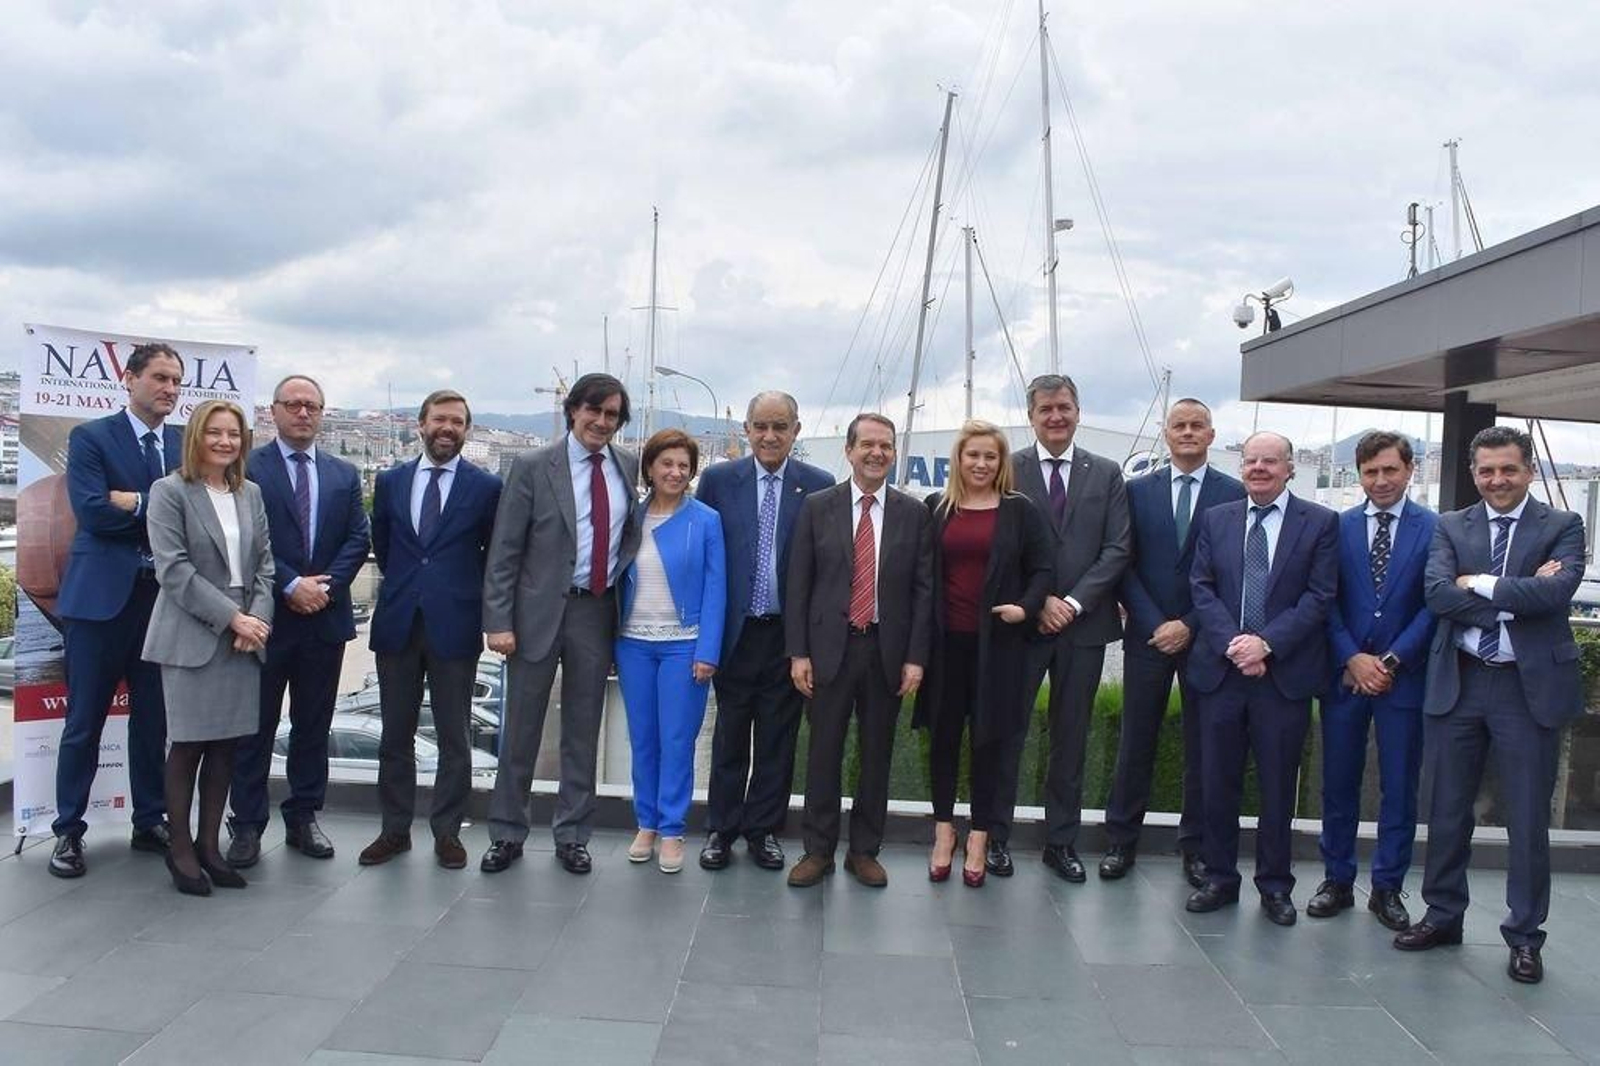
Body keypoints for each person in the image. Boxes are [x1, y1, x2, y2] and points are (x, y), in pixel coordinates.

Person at [1395, 426, 1585, 986]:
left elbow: (1556, 594)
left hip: (1527, 693)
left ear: (1527, 470)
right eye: (1485, 471)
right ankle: (1443, 915)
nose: (1496, 480)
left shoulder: (1562, 526)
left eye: (1507, 469)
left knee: (1528, 819)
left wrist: (1477, 583)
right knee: (1447, 810)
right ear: (1474, 473)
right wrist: (1511, 598)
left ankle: (1525, 937)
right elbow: (1436, 595)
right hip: (1461, 682)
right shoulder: (1452, 525)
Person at [481, 373, 640, 876]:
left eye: (612, 414)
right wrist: (498, 621)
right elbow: (505, 550)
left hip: (596, 612)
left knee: (582, 731)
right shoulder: (533, 466)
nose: (601, 421)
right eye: (593, 410)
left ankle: (573, 835)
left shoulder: (627, 466)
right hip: (534, 615)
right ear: (573, 411)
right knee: (521, 731)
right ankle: (507, 833)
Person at [1185, 431, 1338, 926]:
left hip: (1282, 677)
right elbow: (1202, 587)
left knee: (1277, 788)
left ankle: (1275, 886)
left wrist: (1266, 643)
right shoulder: (1217, 519)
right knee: (1216, 783)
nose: (1258, 469)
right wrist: (1237, 643)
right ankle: (1219, 878)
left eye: (1269, 462)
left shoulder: (1319, 523)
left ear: (1290, 467)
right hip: (1222, 673)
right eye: (1251, 461)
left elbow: (1318, 597)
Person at [49, 342, 185, 878]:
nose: (170, 389)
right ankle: (67, 832)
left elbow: (193, 518)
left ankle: (149, 820)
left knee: (153, 721)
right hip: (99, 604)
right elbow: (92, 513)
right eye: (159, 378)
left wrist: (134, 500)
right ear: (128, 379)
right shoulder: (91, 437)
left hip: (161, 603)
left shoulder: (181, 444)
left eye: (176, 381)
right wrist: (158, 507)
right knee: (84, 722)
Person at [227, 375, 370, 867]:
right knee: (255, 727)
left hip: (323, 620)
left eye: (312, 405)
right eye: (294, 404)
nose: (303, 413)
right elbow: (246, 538)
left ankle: (304, 816)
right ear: (274, 411)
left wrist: (323, 588)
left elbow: (358, 537)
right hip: (266, 616)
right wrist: (290, 584)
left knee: (313, 726)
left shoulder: (343, 474)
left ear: (322, 412)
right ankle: (245, 825)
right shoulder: (248, 467)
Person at [785, 413, 933, 889]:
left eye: (885, 446)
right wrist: (798, 653)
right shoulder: (818, 507)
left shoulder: (914, 513)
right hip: (830, 650)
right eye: (867, 444)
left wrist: (916, 657)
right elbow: (798, 585)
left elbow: (922, 591)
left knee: (877, 755)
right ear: (848, 451)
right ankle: (818, 851)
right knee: (823, 753)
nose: (876, 452)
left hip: (886, 652)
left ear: (894, 453)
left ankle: (865, 851)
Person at [1103, 398, 1244, 886]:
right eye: (1179, 425)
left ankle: (1197, 849)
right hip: (1148, 635)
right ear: (1166, 433)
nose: (1188, 432)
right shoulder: (1136, 491)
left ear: (1210, 434)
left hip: (1206, 637)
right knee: (1134, 742)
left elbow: (1234, 574)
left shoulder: (1234, 494)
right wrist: (1154, 622)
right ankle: (1121, 842)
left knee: (1203, 748)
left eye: (1197, 425)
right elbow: (1123, 561)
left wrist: (1190, 623)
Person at [359, 390, 501, 870]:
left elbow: (491, 556)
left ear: (467, 430)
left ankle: (447, 833)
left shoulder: (485, 488)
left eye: (457, 421)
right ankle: (394, 831)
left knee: (454, 738)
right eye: (439, 419)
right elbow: (385, 542)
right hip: (399, 622)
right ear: (421, 425)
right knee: (394, 736)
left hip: (455, 625)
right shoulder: (392, 481)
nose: (448, 428)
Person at [695, 391, 833, 872]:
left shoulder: (818, 486)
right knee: (730, 734)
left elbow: (824, 567)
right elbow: (704, 557)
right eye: (760, 426)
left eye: (780, 426)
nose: (770, 436)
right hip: (733, 633)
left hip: (788, 638)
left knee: (778, 738)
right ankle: (720, 829)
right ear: (746, 430)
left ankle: (763, 831)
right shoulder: (716, 481)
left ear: (797, 430)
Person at [141, 400, 274, 895]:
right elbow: (173, 570)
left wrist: (256, 619)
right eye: (215, 433)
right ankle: (180, 852)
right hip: (194, 632)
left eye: (233, 434)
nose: (225, 442)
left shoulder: (251, 493)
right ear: (196, 436)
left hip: (244, 635)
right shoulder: (168, 492)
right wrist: (232, 617)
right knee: (189, 745)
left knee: (226, 747)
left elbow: (265, 565)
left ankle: (210, 847)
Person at [912, 422, 1052, 888]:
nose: (981, 464)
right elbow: (921, 576)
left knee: (990, 745)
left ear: (1001, 462)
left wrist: (1025, 608)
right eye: (973, 455)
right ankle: (944, 832)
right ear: (959, 458)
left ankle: (980, 838)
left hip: (999, 648)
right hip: (945, 646)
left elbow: (1043, 568)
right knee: (945, 741)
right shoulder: (937, 508)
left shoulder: (1020, 511)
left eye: (990, 456)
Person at [1003, 374, 1130, 882]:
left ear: (1078, 411)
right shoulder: (1007, 468)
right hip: (1023, 626)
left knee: (1070, 739)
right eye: (1045, 410)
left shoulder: (1106, 472)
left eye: (1064, 407)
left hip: (1085, 626)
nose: (1056, 417)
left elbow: (1118, 548)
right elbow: (1000, 547)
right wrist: (1039, 603)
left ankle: (1061, 843)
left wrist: (1073, 603)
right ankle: (994, 837)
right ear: (1031, 416)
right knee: (1006, 734)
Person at [1308, 431, 1436, 930]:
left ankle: (1387, 888)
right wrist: (1352, 658)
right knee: (1338, 782)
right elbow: (1325, 599)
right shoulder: (1335, 528)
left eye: (1390, 470)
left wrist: (1391, 660)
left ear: (1409, 470)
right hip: (1345, 676)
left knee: (1399, 787)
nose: (1380, 480)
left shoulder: (1434, 529)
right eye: (1370, 472)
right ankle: (1336, 879)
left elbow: (1434, 605)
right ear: (1358, 475)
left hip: (1403, 679)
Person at [615, 429, 726, 873]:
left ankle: (674, 828)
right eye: (667, 463)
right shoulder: (631, 519)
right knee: (642, 739)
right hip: (632, 643)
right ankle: (647, 823)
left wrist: (708, 651)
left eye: (683, 465)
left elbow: (718, 588)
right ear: (650, 468)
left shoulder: (706, 520)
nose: (675, 472)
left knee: (677, 740)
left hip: (685, 646)